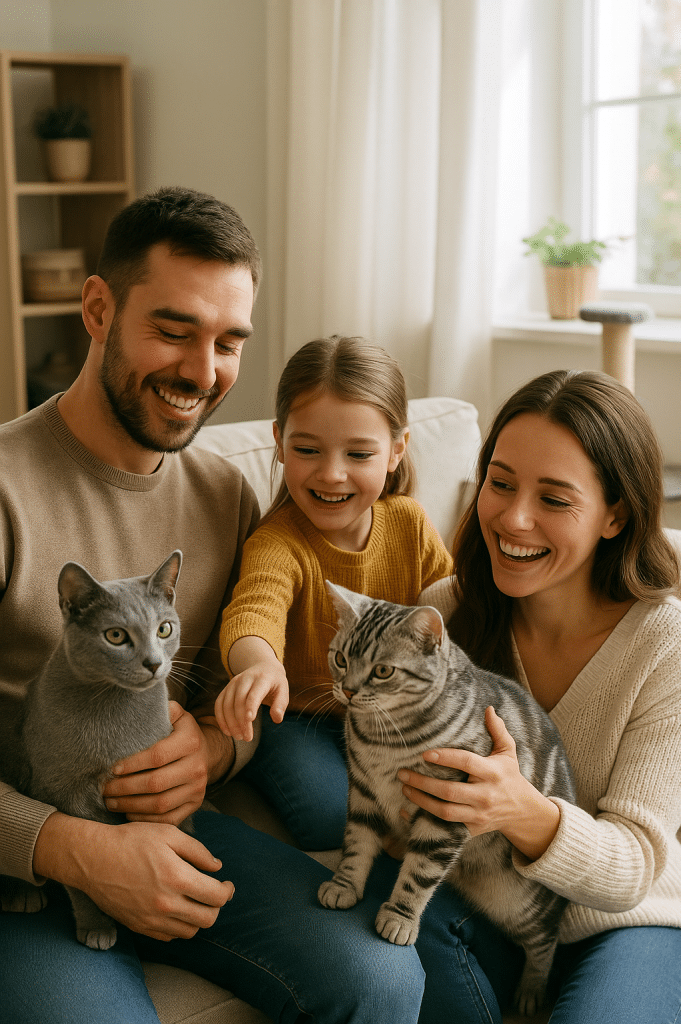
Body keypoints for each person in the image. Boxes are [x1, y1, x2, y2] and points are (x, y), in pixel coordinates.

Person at [0, 188, 426, 1024]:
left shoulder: (227, 495)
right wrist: (71, 849)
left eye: (229, 342)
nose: (202, 372)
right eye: (173, 330)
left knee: (380, 982)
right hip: (26, 858)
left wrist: (213, 750)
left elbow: (242, 688)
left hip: (179, 832)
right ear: (98, 308)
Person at [397, 369, 681, 1023]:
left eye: (553, 499)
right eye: (500, 483)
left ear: (614, 514)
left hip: (632, 919)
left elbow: (636, 863)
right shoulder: (446, 616)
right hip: (491, 910)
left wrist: (521, 811)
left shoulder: (663, 643)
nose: (512, 517)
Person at [214, 335, 454, 849]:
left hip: (387, 709)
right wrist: (260, 666)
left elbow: (451, 603)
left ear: (396, 451)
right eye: (307, 450)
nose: (331, 473)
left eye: (359, 453)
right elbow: (253, 613)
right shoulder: (279, 542)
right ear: (279, 442)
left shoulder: (409, 523)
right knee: (332, 817)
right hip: (298, 719)